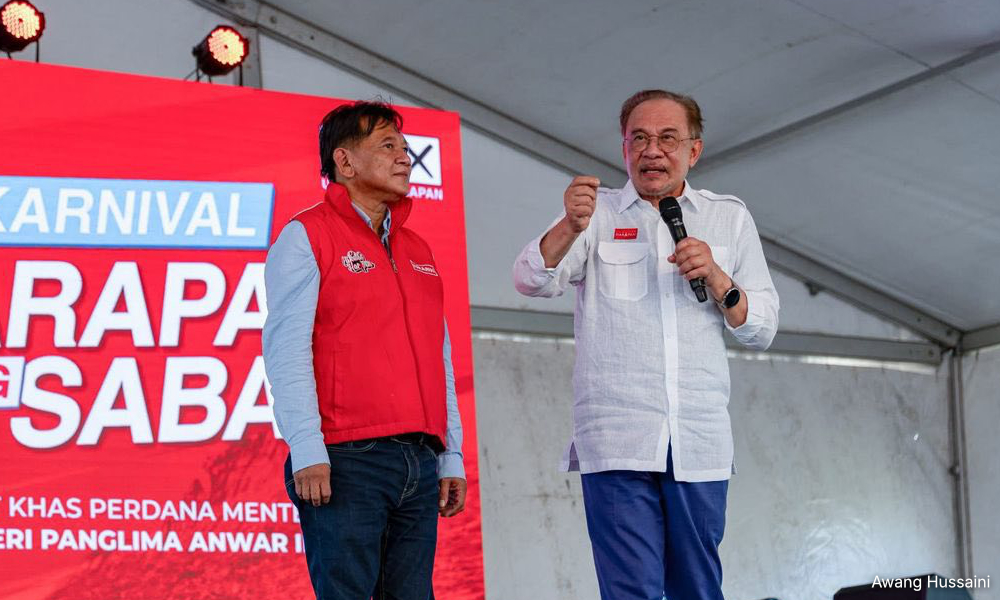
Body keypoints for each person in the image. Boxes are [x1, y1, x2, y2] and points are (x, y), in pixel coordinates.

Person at [513, 89, 779, 600]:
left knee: (697, 589)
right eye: (639, 138)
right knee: (630, 591)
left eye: (667, 138)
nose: (651, 150)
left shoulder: (728, 217)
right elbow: (530, 279)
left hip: (698, 440)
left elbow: (762, 328)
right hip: (617, 439)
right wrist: (569, 225)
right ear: (624, 149)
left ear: (694, 150)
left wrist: (718, 278)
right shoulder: (595, 214)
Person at [263, 100, 466, 600]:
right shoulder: (307, 234)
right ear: (345, 161)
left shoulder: (418, 248)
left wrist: (451, 453)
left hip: (420, 457)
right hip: (346, 458)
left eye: (405, 147)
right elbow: (286, 350)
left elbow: (438, 355)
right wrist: (307, 448)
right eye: (388, 145)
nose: (404, 158)